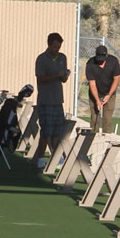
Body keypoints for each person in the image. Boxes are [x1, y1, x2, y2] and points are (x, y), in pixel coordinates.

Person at [34, 32, 70, 168]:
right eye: (55, 47)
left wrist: (64, 76)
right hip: (46, 100)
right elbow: (41, 78)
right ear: (49, 45)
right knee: (46, 131)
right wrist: (56, 75)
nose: (57, 50)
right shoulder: (42, 59)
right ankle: (41, 159)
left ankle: (57, 157)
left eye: (59, 47)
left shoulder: (62, 58)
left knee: (57, 132)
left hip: (57, 100)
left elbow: (63, 79)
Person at [85, 44, 120, 132]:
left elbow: (116, 80)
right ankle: (93, 138)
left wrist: (108, 95)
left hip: (110, 92)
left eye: (102, 59)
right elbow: (92, 84)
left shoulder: (113, 62)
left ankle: (106, 138)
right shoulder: (90, 64)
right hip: (95, 93)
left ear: (106, 56)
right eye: (99, 59)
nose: (100, 61)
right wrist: (97, 100)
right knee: (94, 118)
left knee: (107, 119)